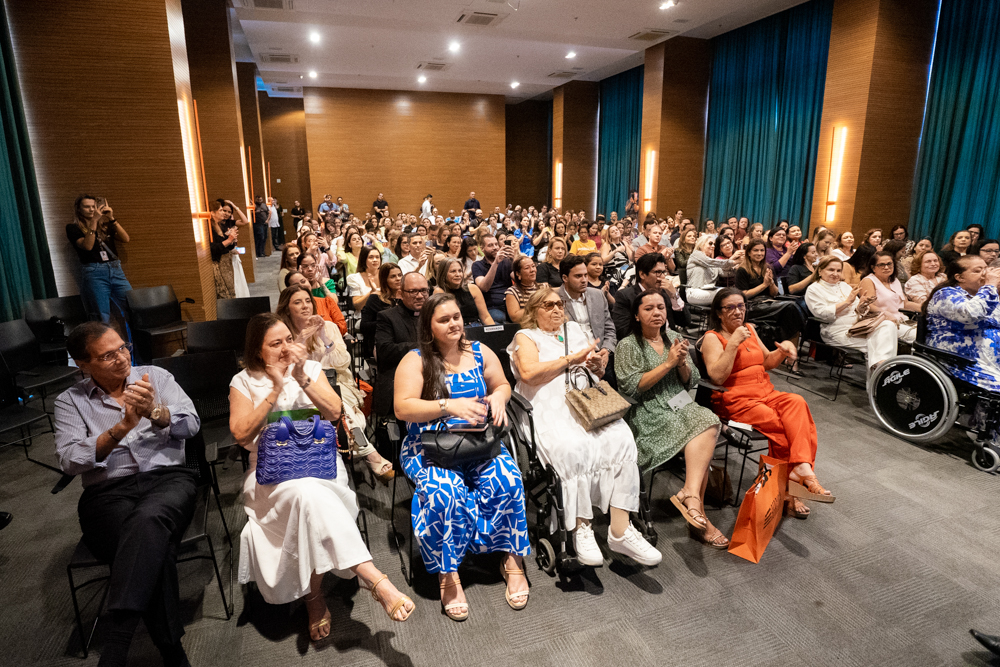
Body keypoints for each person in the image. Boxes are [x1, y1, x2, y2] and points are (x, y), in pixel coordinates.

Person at [230, 314, 413, 642]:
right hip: (269, 475)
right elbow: (243, 436)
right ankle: (373, 578)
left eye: (289, 339)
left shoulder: (310, 370)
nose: (287, 348)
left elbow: (333, 412)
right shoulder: (242, 381)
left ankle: (314, 600)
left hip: (318, 463)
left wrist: (301, 378)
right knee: (305, 496)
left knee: (308, 495)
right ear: (258, 352)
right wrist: (273, 389)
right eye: (276, 344)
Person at [54, 322, 199, 666]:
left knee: (148, 522)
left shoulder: (155, 377)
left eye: (123, 347)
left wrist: (155, 413)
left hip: (167, 480)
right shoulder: (69, 402)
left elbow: (191, 424)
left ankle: (117, 640)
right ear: (83, 364)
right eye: (108, 355)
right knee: (152, 545)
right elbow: (69, 460)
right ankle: (171, 651)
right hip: (107, 493)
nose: (122, 358)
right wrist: (122, 428)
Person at [393, 293, 530, 620]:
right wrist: (448, 405)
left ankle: (512, 558)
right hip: (430, 444)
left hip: (476, 441)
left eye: (456, 316)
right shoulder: (416, 360)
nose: (454, 323)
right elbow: (402, 407)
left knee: (509, 481)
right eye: (444, 319)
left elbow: (502, 384)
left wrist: (498, 397)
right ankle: (447, 569)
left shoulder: (479, 351)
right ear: (428, 326)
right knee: (447, 494)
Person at [508, 288, 662, 566]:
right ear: (533, 311)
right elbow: (529, 375)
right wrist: (572, 359)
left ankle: (620, 529)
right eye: (548, 305)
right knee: (573, 447)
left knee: (621, 438)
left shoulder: (574, 330)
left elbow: (595, 372)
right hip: (547, 404)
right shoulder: (525, 336)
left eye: (559, 304)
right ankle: (581, 528)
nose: (557, 309)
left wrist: (597, 364)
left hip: (586, 400)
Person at [700, 289, 834, 519]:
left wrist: (782, 351)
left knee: (797, 402)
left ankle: (800, 468)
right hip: (736, 400)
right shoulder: (713, 337)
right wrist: (732, 344)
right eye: (730, 308)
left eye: (741, 306)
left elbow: (766, 362)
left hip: (765, 392)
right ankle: (790, 489)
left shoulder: (749, 329)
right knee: (783, 430)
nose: (737, 312)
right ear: (719, 313)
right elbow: (717, 377)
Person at [615, 290, 729, 549]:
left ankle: (691, 498)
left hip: (680, 403)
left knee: (709, 420)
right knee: (704, 428)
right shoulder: (628, 345)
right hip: (647, 411)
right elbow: (632, 387)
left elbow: (692, 380)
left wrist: (680, 364)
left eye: (661, 307)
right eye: (648, 309)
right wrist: (667, 364)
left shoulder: (675, 338)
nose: (656, 312)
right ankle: (698, 515)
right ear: (636, 314)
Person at [276, 286, 394, 483]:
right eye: (298, 302)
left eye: (307, 301)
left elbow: (342, 362)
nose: (305, 306)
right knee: (329, 406)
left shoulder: (328, 327)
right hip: (298, 384)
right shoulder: (282, 332)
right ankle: (367, 452)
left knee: (338, 402)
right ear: (287, 308)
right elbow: (284, 365)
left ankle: (356, 453)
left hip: (337, 380)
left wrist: (323, 336)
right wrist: (303, 337)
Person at [805, 256, 904, 371]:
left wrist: (862, 306)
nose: (835, 274)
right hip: (836, 331)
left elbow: (859, 311)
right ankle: (882, 374)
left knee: (888, 325)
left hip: (858, 327)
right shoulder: (813, 289)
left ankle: (880, 371)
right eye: (831, 270)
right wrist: (847, 302)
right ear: (820, 271)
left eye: (838, 270)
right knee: (880, 344)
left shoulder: (844, 286)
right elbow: (822, 314)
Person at [925, 255, 1000, 392]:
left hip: (990, 360)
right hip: (961, 361)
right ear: (960, 277)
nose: (985, 274)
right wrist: (990, 286)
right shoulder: (945, 294)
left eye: (986, 269)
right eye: (977, 271)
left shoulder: (982, 296)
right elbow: (970, 314)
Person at [67, 194, 132, 322]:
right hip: (95, 272)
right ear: (78, 209)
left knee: (132, 306)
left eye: (93, 206)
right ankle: (105, 341)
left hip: (115, 269)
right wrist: (94, 222)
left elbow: (126, 239)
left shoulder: (105, 226)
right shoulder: (73, 228)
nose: (92, 210)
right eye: (87, 207)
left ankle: (132, 341)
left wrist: (111, 218)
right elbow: (88, 246)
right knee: (102, 315)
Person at [373, 272, 427, 418]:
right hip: (398, 379)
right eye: (413, 291)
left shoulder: (434, 315)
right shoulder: (387, 317)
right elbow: (384, 351)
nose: (420, 296)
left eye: (423, 290)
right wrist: (425, 347)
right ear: (400, 293)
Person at [613, 252, 689, 340]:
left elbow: (685, 321)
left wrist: (674, 296)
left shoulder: (666, 292)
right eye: (657, 272)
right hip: (641, 344)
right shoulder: (625, 296)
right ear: (642, 275)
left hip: (669, 340)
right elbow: (622, 331)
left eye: (664, 272)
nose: (662, 277)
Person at [856, 250, 919, 347]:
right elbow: (869, 306)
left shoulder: (894, 280)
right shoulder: (869, 281)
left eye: (889, 264)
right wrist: (885, 314)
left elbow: (905, 304)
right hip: (884, 323)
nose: (886, 267)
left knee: (930, 332)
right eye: (881, 265)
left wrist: (926, 307)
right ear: (873, 268)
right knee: (918, 337)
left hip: (903, 320)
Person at [434, 257, 495, 326]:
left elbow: (486, 317)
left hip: (477, 327)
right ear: (444, 274)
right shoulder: (439, 292)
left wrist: (495, 332)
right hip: (456, 328)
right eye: (453, 271)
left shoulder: (473, 288)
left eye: (460, 271)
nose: (458, 274)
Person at [296, 254, 348, 334]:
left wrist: (321, 283)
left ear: (317, 266)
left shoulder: (327, 282)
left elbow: (334, 302)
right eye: (305, 266)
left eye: (313, 265)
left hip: (328, 321)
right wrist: (301, 280)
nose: (310, 269)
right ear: (299, 268)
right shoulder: (297, 287)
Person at [686, 235, 743, 306]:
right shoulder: (695, 255)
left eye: (714, 244)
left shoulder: (713, 263)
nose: (713, 246)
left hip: (710, 292)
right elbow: (708, 262)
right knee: (728, 294)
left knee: (735, 293)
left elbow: (724, 273)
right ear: (701, 244)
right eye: (710, 243)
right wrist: (733, 261)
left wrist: (739, 267)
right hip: (694, 292)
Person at [360, 262, 400, 357]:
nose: (398, 278)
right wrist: (387, 322)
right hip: (382, 343)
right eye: (393, 276)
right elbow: (364, 326)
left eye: (400, 275)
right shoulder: (375, 298)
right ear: (384, 280)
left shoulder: (407, 296)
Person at [472, 235, 515, 323]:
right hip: (493, 306)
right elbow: (484, 287)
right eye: (490, 245)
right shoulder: (477, 265)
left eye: (496, 244)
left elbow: (520, 279)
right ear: (482, 248)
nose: (495, 248)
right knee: (500, 319)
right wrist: (495, 263)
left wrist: (514, 260)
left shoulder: (507, 262)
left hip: (510, 303)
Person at [505, 255, 540, 323]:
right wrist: (537, 306)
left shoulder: (543, 288)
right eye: (527, 268)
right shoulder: (512, 292)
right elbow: (515, 318)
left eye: (533, 266)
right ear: (518, 273)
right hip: (525, 328)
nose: (532, 270)